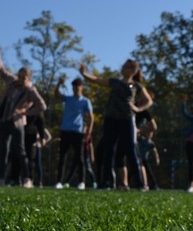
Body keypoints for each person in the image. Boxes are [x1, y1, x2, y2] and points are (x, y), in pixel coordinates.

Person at [80, 59, 152, 191]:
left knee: (131, 151)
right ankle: (106, 183)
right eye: (123, 66)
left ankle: (140, 184)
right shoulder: (114, 82)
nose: (123, 69)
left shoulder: (136, 86)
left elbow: (148, 101)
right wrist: (84, 73)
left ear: (133, 71)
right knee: (109, 150)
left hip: (127, 119)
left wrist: (137, 109)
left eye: (127, 67)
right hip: (111, 119)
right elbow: (96, 80)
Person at [0, 43, 47, 188]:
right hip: (5, 119)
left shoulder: (30, 90)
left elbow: (42, 105)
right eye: (20, 76)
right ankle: (0, 178)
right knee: (3, 150)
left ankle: (27, 178)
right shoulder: (11, 81)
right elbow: (1, 70)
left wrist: (26, 112)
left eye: (24, 78)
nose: (21, 79)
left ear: (28, 79)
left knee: (20, 151)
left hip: (18, 123)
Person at [53, 76, 94, 190]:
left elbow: (91, 117)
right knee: (62, 157)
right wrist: (59, 84)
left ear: (82, 87)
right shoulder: (68, 99)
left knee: (80, 158)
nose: (76, 89)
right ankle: (59, 181)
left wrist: (88, 132)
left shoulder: (85, 101)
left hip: (78, 132)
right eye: (74, 87)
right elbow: (56, 94)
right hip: (65, 131)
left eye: (78, 86)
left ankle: (81, 182)